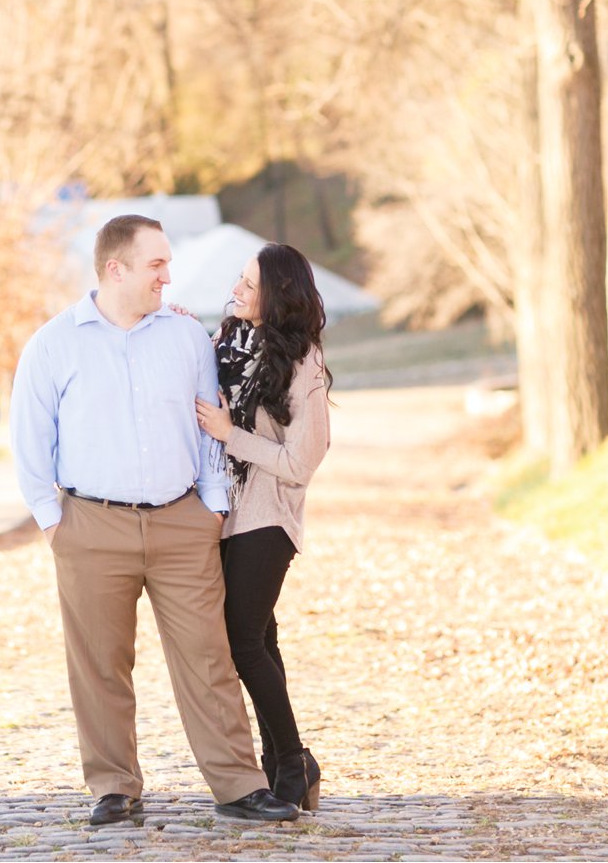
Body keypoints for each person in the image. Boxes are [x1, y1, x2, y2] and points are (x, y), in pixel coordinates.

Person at [9, 214, 299, 828]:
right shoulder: (53, 344)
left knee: (209, 657)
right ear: (116, 270)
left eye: (168, 263)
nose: (169, 276)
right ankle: (114, 788)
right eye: (156, 265)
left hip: (182, 524)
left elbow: (206, 422)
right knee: (100, 663)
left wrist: (213, 505)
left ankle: (239, 786)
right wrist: (52, 521)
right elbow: (30, 440)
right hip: (90, 526)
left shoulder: (185, 337)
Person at [195, 242, 331, 814]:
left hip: (269, 517)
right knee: (261, 639)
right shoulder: (227, 343)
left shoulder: (304, 362)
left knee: (242, 641)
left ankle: (292, 760)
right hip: (226, 514)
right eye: (239, 279)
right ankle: (288, 765)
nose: (238, 289)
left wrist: (232, 435)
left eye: (250, 284)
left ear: (276, 293)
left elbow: (302, 461)